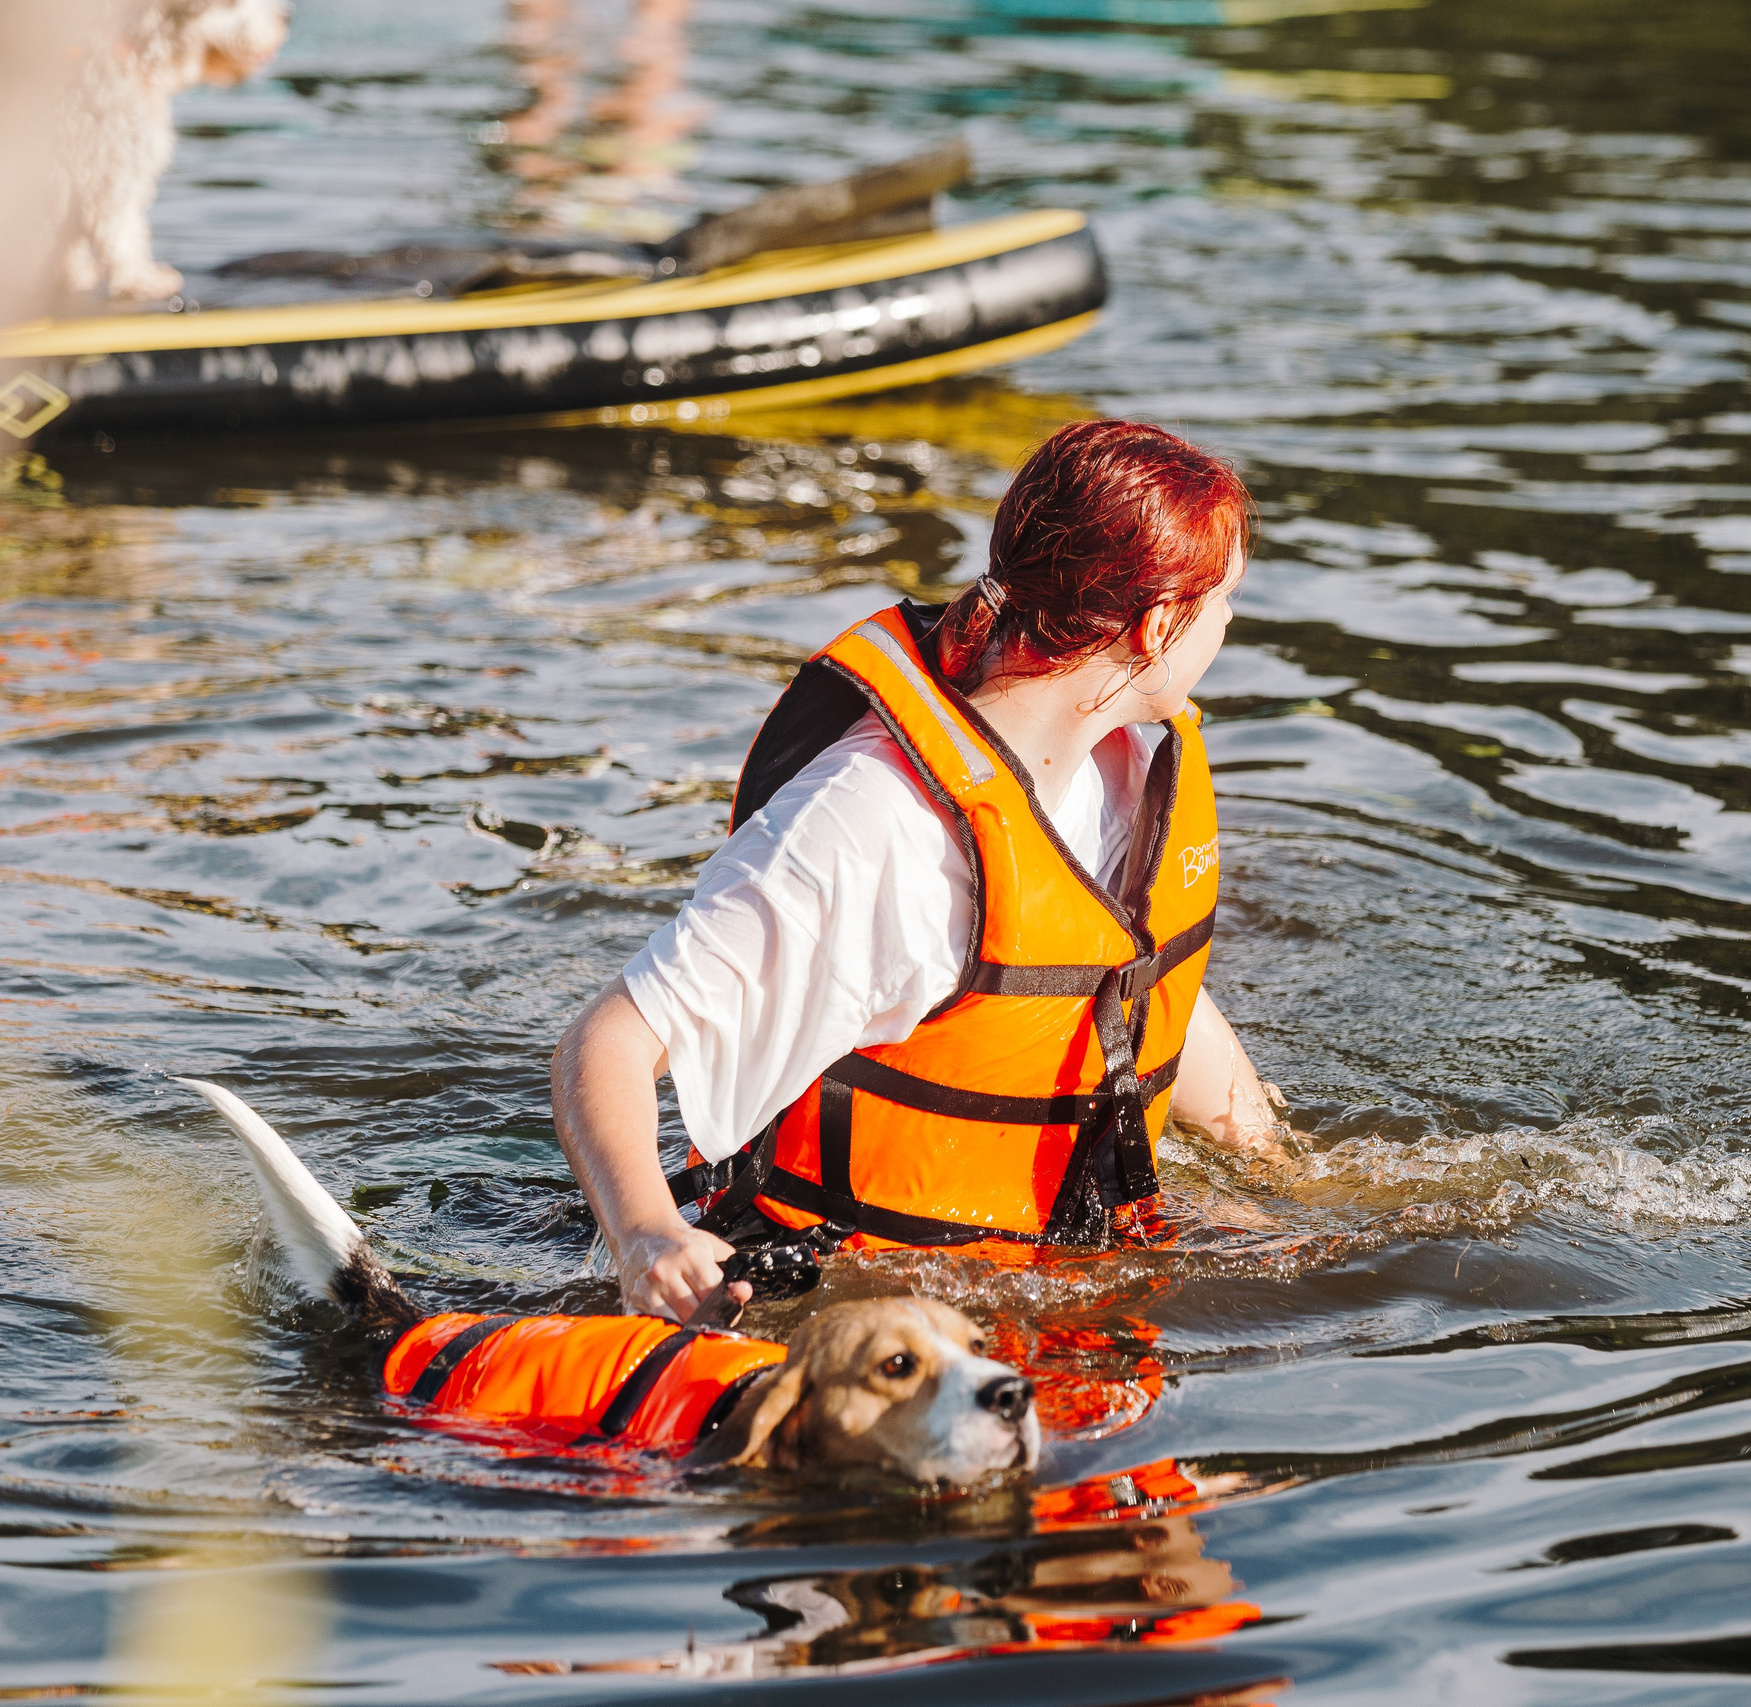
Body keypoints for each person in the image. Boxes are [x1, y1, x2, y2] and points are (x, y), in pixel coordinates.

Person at [552, 420, 1289, 1323]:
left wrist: (1276, 1169)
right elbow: (609, 1039)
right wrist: (646, 1238)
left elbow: (1129, 986)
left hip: (1047, 1272)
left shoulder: (1131, 755)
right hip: (847, 1312)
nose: (1228, 626)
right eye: (1226, 602)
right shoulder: (870, 824)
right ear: (1160, 625)